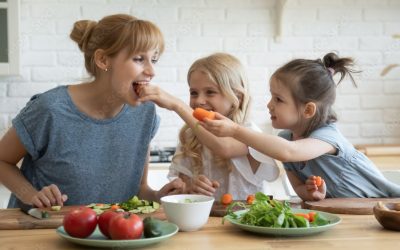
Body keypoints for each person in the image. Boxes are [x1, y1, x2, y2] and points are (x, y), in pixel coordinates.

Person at [0, 14, 185, 209]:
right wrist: (31, 195)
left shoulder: (145, 113)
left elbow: (138, 189)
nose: (151, 71)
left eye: (153, 60)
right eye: (139, 59)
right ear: (103, 59)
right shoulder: (50, 109)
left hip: (109, 235)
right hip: (44, 231)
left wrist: (158, 195)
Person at [200, 52, 400, 201]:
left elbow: (288, 152)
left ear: (308, 110)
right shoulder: (286, 139)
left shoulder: (327, 137)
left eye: (278, 99)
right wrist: (313, 193)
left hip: (387, 203)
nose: (269, 104)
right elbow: (300, 189)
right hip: (349, 215)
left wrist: (234, 130)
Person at [137, 53, 280, 200]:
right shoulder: (190, 136)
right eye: (194, 93)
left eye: (210, 92)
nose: (199, 100)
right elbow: (182, 184)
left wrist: (177, 105)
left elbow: (223, 147)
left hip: (245, 218)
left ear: (237, 97)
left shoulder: (248, 132)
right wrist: (191, 186)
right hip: (207, 220)